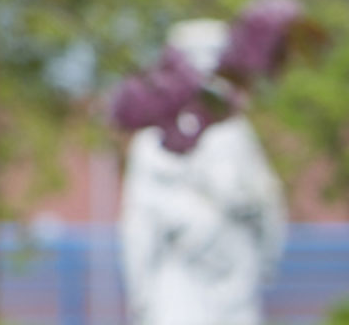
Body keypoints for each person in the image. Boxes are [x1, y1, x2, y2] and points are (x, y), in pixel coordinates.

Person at [120, 19, 287, 325]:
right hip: (180, 278)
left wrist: (262, 253)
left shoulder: (237, 135)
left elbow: (267, 203)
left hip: (232, 277)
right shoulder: (152, 142)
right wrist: (140, 290)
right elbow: (139, 222)